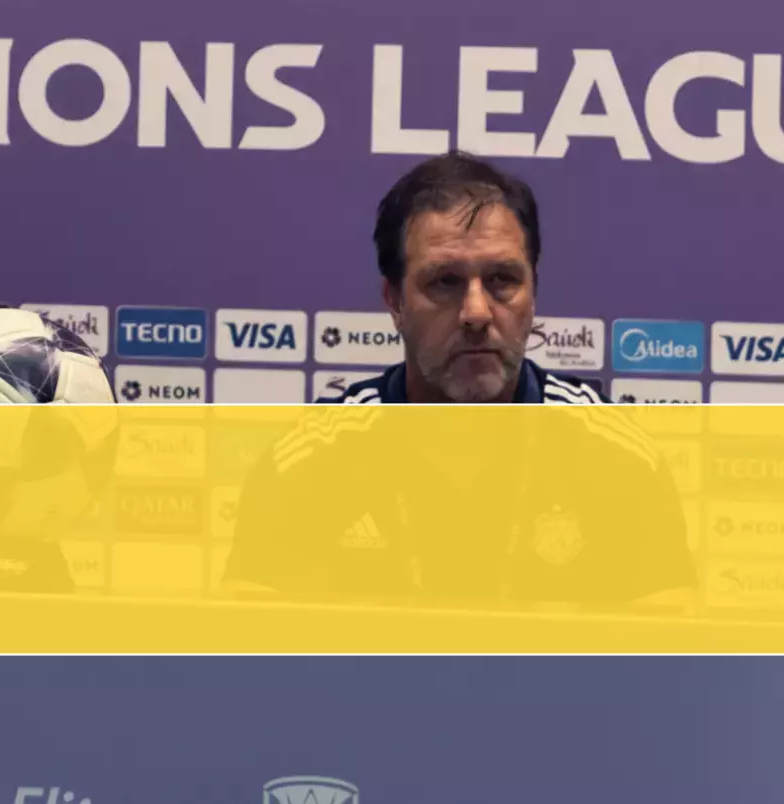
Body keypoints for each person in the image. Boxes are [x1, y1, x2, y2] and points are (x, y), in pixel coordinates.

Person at [222, 151, 696, 609]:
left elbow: (668, 656)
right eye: (445, 282)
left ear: (533, 292)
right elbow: (246, 653)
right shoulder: (310, 465)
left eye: (502, 279)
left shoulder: (616, 460)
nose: (476, 312)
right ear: (394, 301)